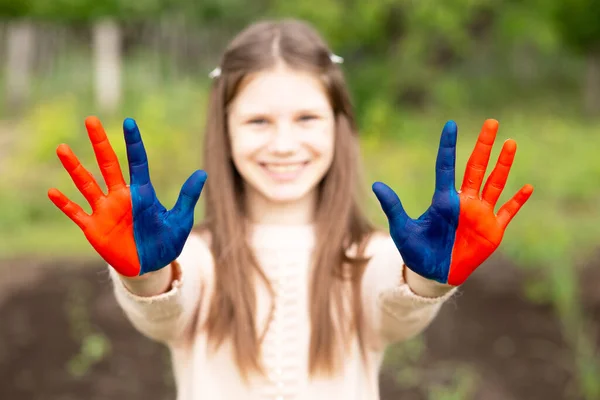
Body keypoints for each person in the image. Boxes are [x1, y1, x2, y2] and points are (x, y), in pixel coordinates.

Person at [48, 18, 533, 400]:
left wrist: (429, 279)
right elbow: (164, 312)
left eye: (306, 118)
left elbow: (395, 309)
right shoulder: (194, 257)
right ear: (225, 131)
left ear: (339, 127)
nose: (284, 144)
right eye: (258, 120)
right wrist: (146, 275)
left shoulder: (372, 256)